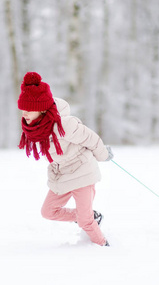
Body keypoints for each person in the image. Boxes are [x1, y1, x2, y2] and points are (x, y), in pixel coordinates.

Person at [17, 72, 113, 246]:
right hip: (63, 175)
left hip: (82, 173)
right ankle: (92, 216)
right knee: (48, 211)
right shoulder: (37, 128)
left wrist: (103, 154)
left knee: (85, 222)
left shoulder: (65, 125)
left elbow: (90, 138)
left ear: (42, 109)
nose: (24, 114)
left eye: (28, 109)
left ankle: (103, 247)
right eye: (22, 109)